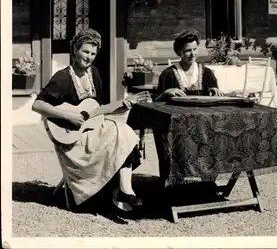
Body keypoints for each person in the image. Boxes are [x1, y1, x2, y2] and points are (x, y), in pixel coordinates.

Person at [32, 28, 142, 213]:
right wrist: (69, 115)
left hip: (91, 130)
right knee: (120, 132)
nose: (89, 57)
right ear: (75, 49)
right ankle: (123, 190)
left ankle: (124, 189)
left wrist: (121, 105)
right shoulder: (63, 77)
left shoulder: (95, 74)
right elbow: (37, 105)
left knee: (123, 130)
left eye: (93, 53)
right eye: (85, 51)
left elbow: (96, 109)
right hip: (73, 140)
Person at [155, 28, 223, 100]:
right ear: (179, 52)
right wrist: (166, 93)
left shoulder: (207, 74)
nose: (193, 54)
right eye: (188, 50)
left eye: (195, 49)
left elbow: (216, 99)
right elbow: (155, 101)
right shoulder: (168, 75)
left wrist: (215, 91)